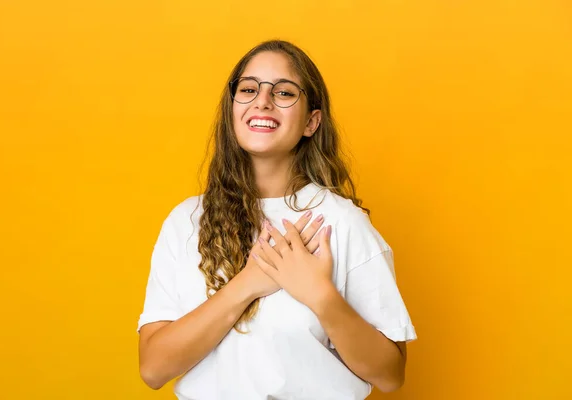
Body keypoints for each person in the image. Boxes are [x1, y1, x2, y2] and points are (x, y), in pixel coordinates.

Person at [136, 39, 417, 400]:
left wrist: (319, 294)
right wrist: (250, 282)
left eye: (284, 92)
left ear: (312, 122)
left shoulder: (341, 224)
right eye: (249, 89)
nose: (262, 101)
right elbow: (153, 368)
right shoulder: (187, 221)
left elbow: (391, 374)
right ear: (232, 109)